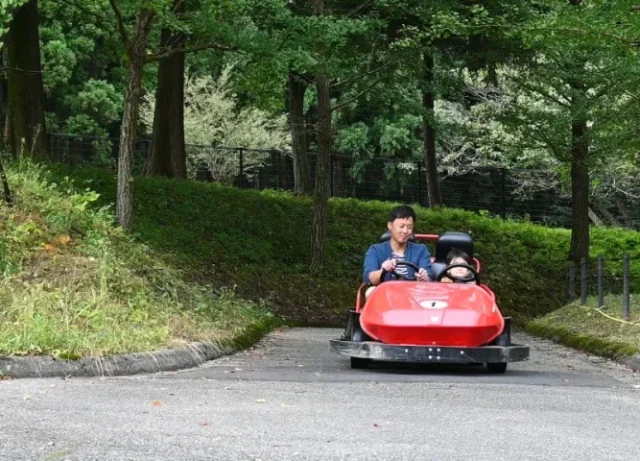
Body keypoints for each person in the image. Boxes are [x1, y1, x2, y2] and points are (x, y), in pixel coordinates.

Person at [362, 205, 433, 298]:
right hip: (386, 296)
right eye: (401, 226)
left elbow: (429, 279)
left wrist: (424, 277)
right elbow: (370, 278)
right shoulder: (375, 250)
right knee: (370, 291)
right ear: (390, 225)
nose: (405, 231)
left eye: (409, 227)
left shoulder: (421, 250)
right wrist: (382, 271)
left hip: (414, 296)